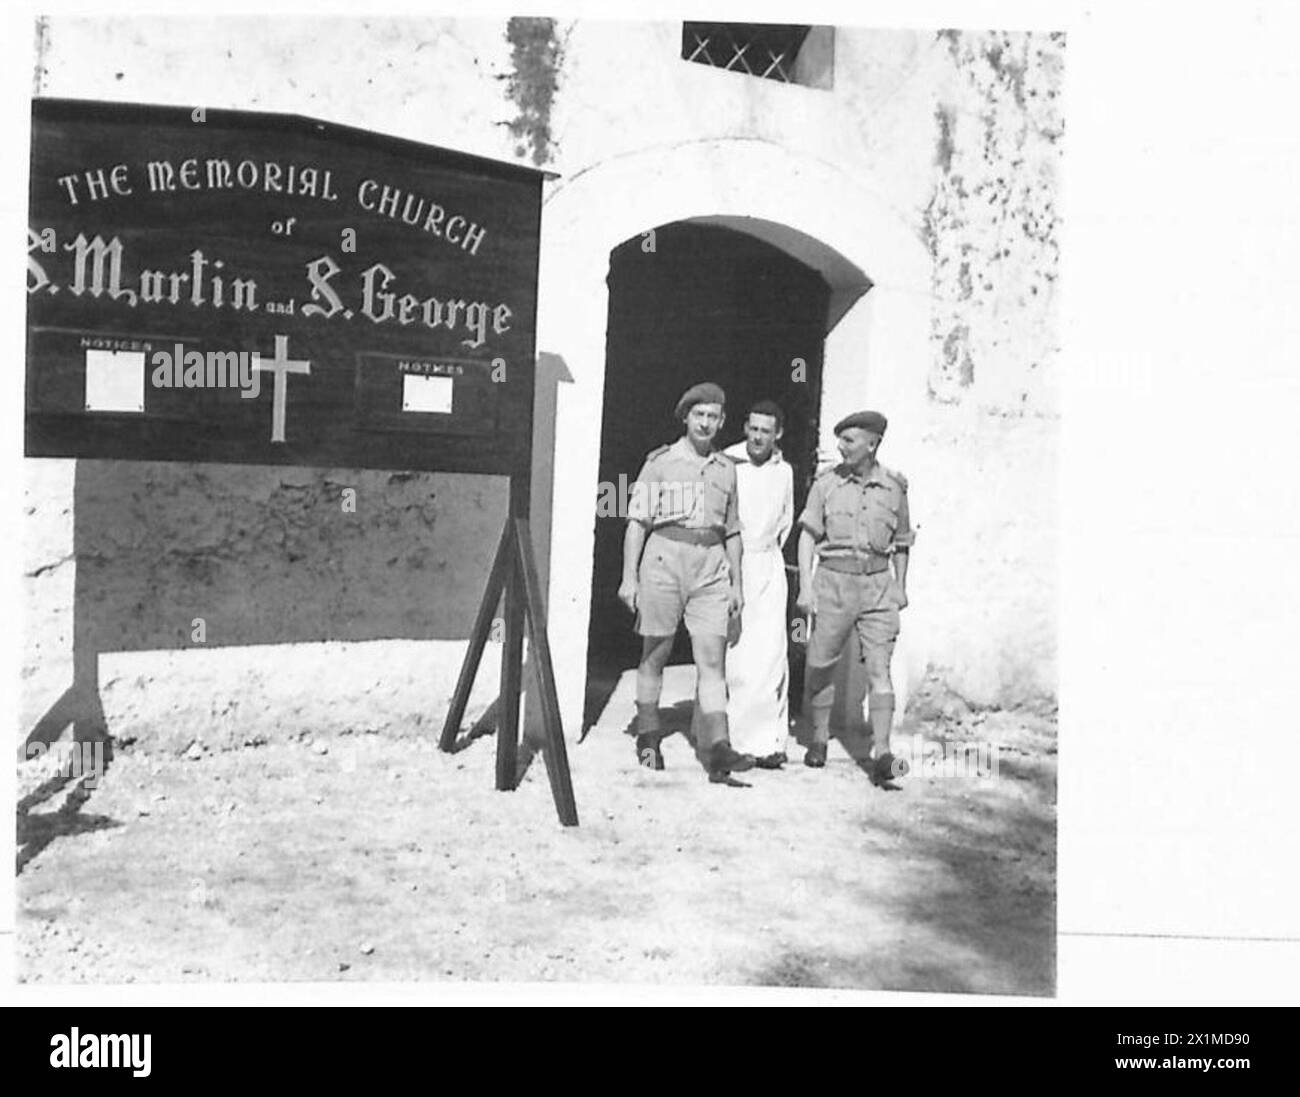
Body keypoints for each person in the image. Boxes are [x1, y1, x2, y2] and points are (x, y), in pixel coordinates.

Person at [619, 382, 755, 784]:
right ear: (686, 418)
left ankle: (718, 747)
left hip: (711, 565)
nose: (706, 423)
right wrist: (629, 578)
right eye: (699, 415)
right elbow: (637, 522)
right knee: (656, 650)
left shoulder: (727, 469)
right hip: (664, 559)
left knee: (712, 660)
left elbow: (732, 531)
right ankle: (648, 733)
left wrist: (737, 584)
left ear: (723, 422)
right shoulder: (661, 462)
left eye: (714, 417)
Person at [795, 410, 914, 785]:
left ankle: (882, 752)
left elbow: (903, 541)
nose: (841, 447)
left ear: (872, 443)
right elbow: (808, 535)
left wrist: (900, 585)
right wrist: (805, 587)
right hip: (834, 582)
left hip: (877, 585)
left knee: (880, 668)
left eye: (849, 440)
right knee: (821, 663)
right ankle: (818, 739)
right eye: (840, 439)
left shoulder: (895, 487)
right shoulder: (826, 484)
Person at [722, 400, 794, 769]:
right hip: (735, 565)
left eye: (766, 431)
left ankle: (769, 742)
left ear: (777, 434)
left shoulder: (786, 472)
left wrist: (768, 560)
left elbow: (786, 521)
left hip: (769, 566)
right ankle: (734, 741)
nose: (757, 437)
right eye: (752, 429)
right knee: (738, 656)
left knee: (770, 655)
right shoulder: (729, 463)